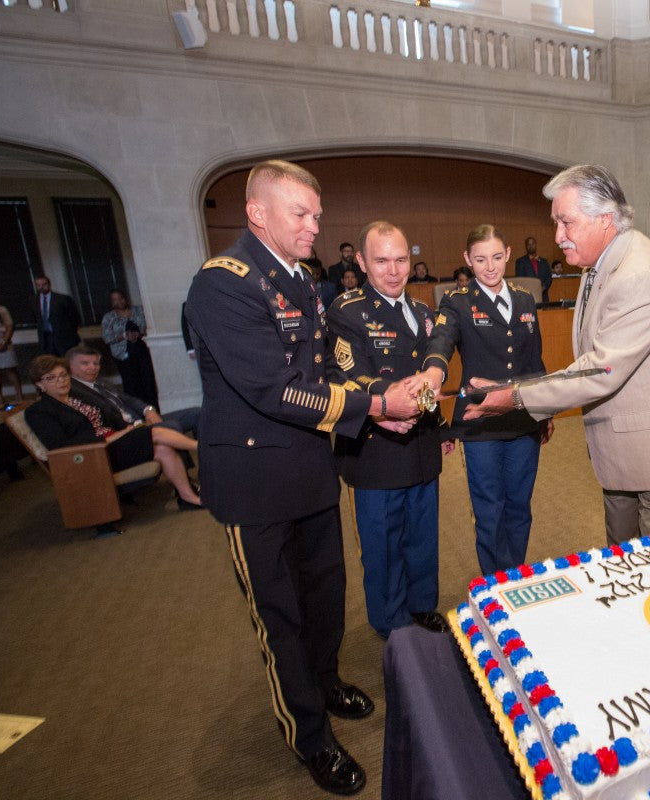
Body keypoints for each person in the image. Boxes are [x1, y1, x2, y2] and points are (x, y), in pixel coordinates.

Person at [185, 160, 419, 796]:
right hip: (257, 483)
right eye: (302, 214)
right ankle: (308, 734)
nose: (316, 225)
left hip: (312, 470)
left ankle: (327, 681)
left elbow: (320, 376)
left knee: (325, 597)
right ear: (257, 214)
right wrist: (374, 407)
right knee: (280, 615)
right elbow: (271, 388)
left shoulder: (299, 281)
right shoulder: (224, 283)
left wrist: (376, 404)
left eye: (317, 213)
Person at [464, 165, 650, 545]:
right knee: (623, 564)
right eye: (555, 223)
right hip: (621, 453)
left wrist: (513, 396)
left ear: (605, 219)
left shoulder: (638, 274)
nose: (558, 236)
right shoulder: (597, 263)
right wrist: (511, 385)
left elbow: (598, 370)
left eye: (566, 222)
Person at [327, 220, 453, 639]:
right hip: (376, 448)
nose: (394, 270)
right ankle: (391, 623)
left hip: (420, 444)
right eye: (381, 260)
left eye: (401, 259)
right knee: (383, 545)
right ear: (361, 261)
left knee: (422, 537)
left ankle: (421, 606)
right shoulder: (347, 311)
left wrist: (432, 396)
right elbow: (346, 373)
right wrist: (390, 398)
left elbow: (434, 363)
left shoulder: (421, 312)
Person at [416, 224, 553, 575]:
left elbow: (535, 361)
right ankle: (496, 582)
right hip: (481, 423)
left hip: (523, 418)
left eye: (496, 257)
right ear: (467, 260)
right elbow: (441, 341)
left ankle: (515, 575)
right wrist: (433, 372)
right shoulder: (457, 301)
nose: (489, 267)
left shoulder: (524, 299)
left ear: (508, 253)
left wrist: (545, 410)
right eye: (479, 259)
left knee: (520, 505)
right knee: (490, 509)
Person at [22, 355, 201, 509]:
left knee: (164, 449)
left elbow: (108, 417)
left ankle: (188, 498)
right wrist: (112, 437)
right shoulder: (39, 411)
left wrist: (123, 430)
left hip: (113, 443)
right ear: (40, 384)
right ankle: (204, 448)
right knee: (155, 432)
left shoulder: (77, 398)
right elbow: (60, 446)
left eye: (63, 375)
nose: (61, 381)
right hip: (95, 456)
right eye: (51, 378)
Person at [66, 344, 199, 438]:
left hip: (141, 420)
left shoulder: (101, 382)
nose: (93, 367)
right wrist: (137, 425)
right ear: (69, 366)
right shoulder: (75, 391)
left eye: (96, 363)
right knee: (171, 426)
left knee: (196, 413)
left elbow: (129, 399)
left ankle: (210, 461)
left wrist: (149, 410)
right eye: (85, 363)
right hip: (127, 431)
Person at [101, 289, 159, 408]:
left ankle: (154, 408)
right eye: (115, 300)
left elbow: (149, 325)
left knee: (148, 381)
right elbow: (107, 337)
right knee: (131, 383)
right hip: (124, 354)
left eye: (121, 298)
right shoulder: (109, 317)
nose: (119, 302)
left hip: (142, 350)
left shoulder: (138, 310)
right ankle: (138, 410)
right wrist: (124, 336)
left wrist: (140, 333)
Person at [33, 276, 81, 357]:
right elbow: (36, 318)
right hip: (46, 339)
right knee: (52, 364)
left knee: (68, 361)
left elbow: (75, 318)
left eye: (44, 284)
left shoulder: (62, 299)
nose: (41, 287)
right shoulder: (34, 300)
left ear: (49, 284)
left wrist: (70, 333)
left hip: (65, 338)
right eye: (38, 285)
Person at [515, 236, 552, 303]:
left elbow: (549, 277)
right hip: (527, 297)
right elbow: (520, 279)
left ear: (536, 245)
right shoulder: (520, 262)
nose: (531, 246)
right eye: (528, 244)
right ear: (526, 246)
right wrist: (532, 289)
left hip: (543, 297)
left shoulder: (544, 261)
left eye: (533, 244)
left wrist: (543, 288)